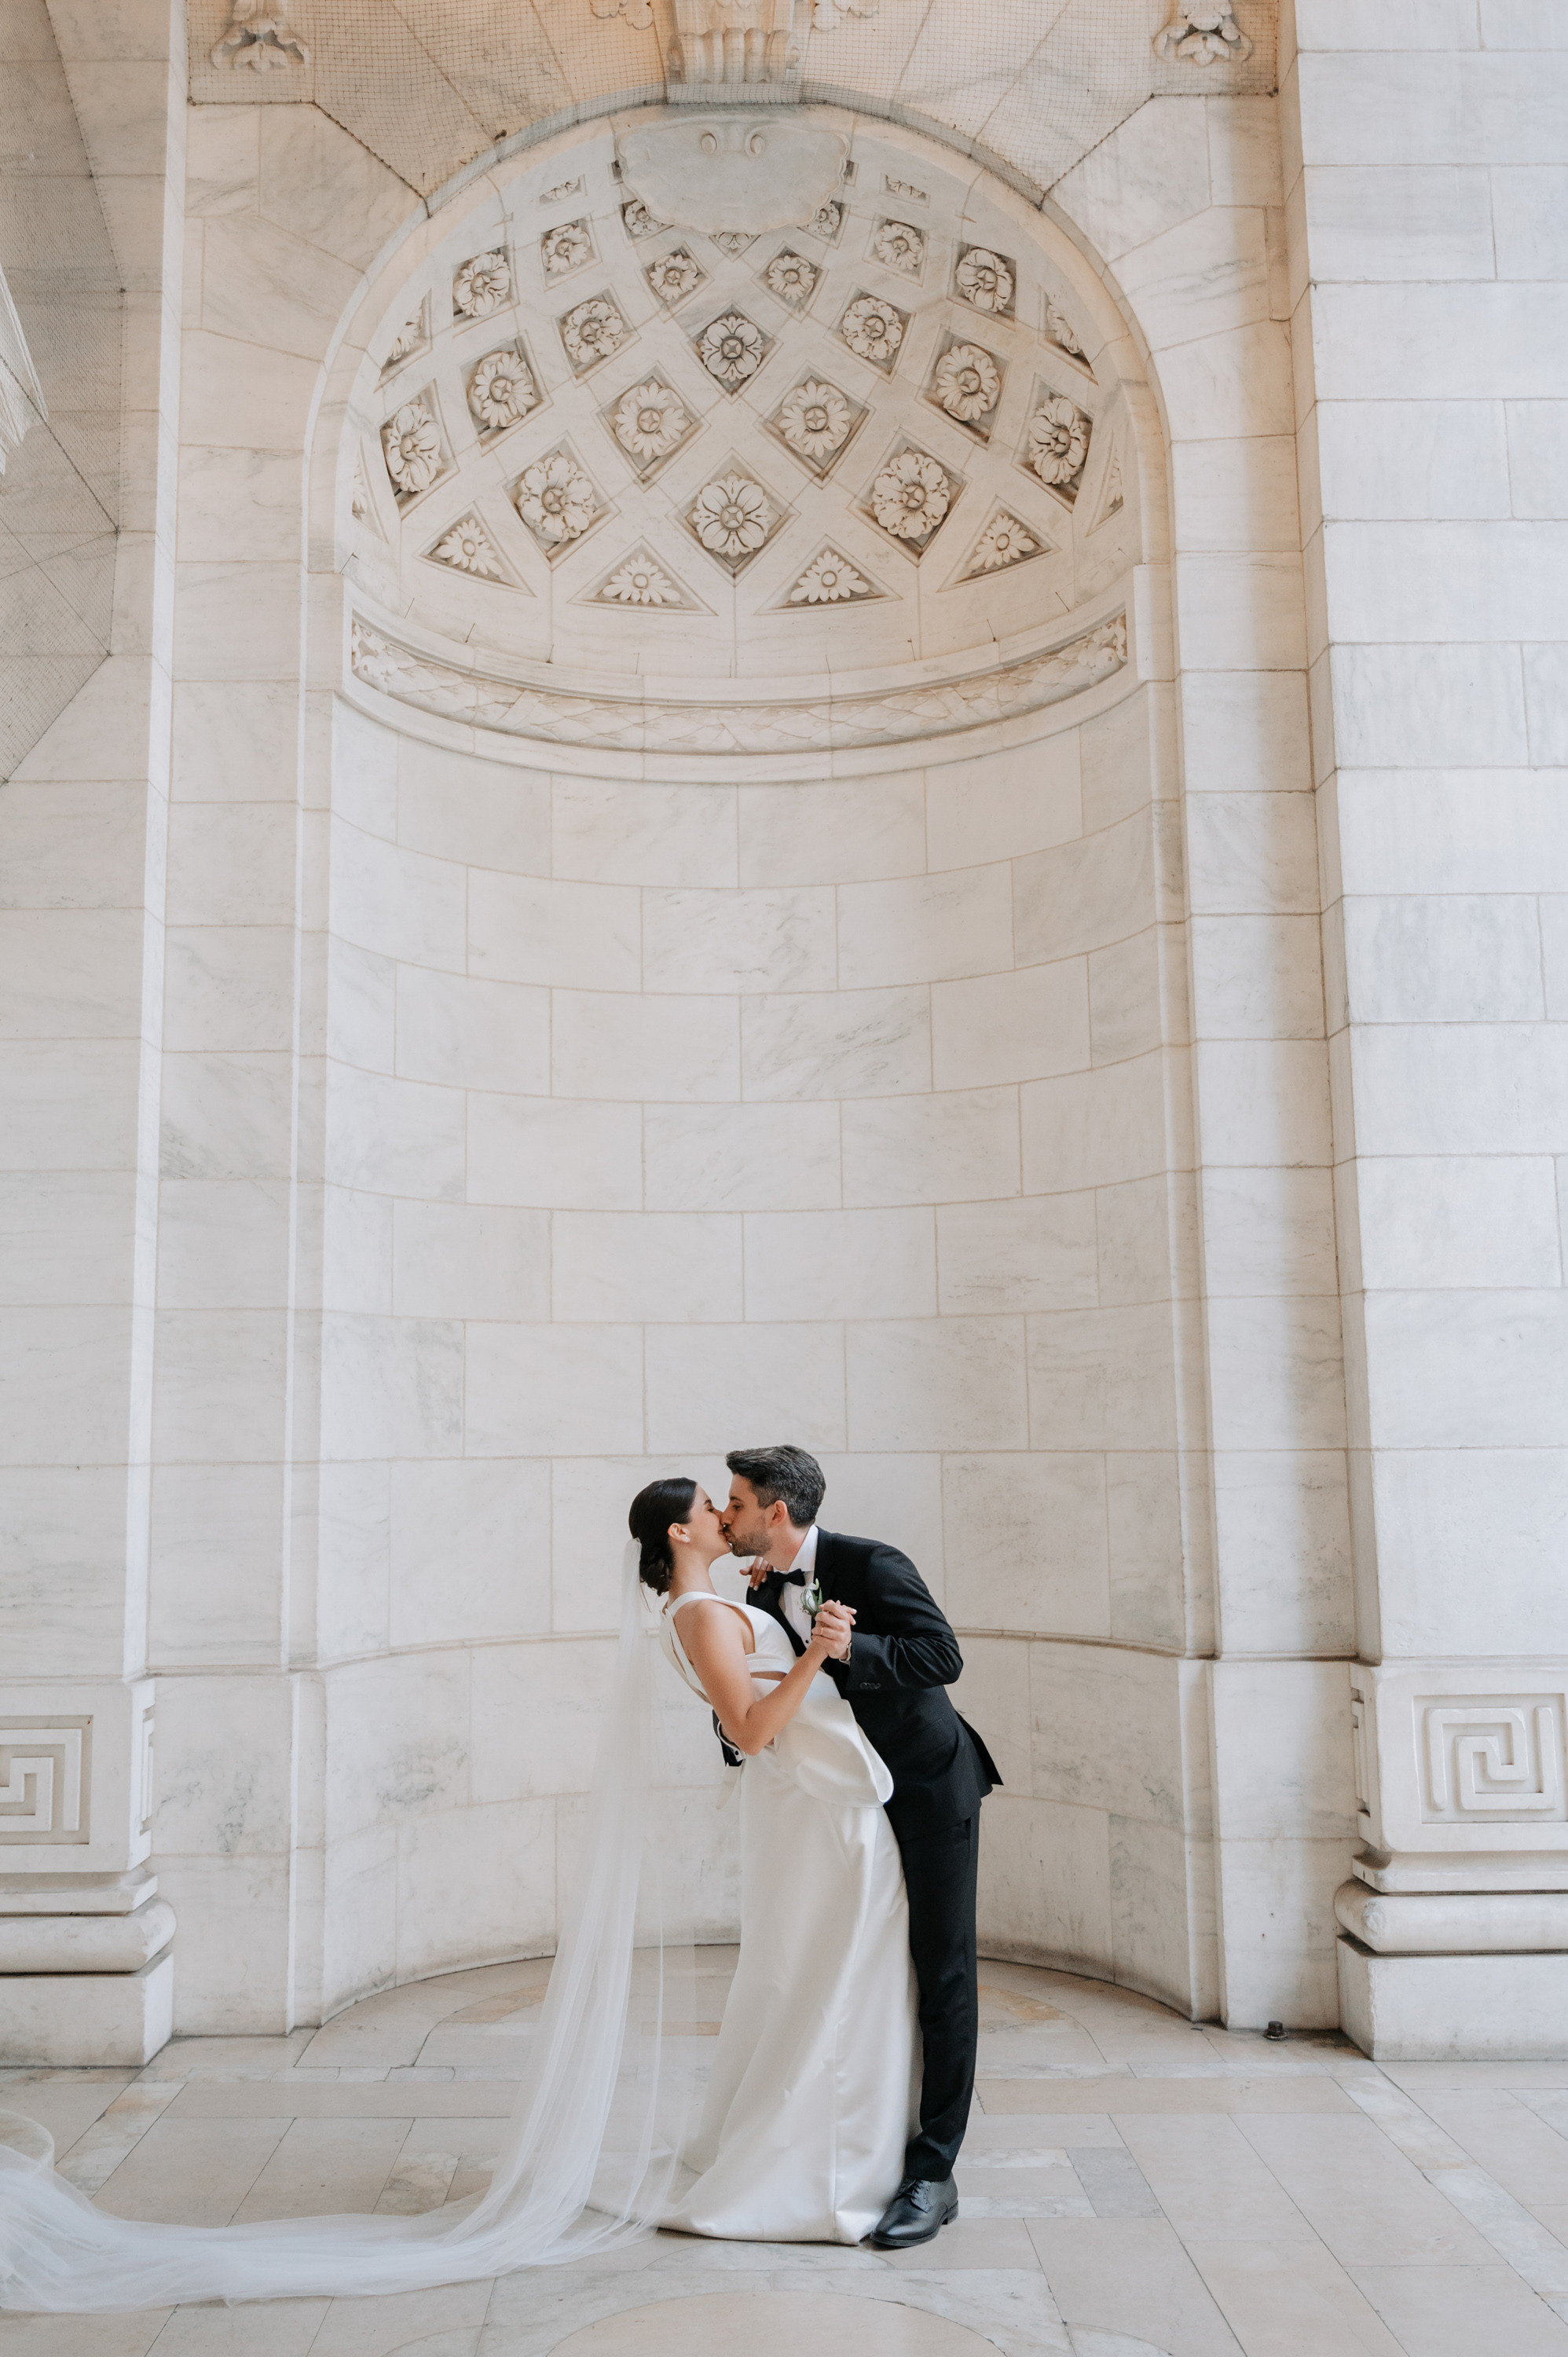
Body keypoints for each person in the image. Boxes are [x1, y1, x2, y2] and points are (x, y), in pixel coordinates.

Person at [720, 1445, 998, 2250]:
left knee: (942, 1972)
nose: (727, 1514)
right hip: (843, 1800)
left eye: (737, 1502)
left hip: (925, 1787)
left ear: (776, 1513)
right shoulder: (761, 1588)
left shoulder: (871, 1564)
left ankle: (933, 2173)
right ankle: (852, 2144)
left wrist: (851, 1648)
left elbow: (942, 1657)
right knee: (858, 1967)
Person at [633, 1475, 918, 2243]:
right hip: (810, 1798)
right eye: (709, 1508)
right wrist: (819, 1651)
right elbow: (752, 1729)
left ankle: (848, 2138)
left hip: (814, 1790)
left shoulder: (709, 1609)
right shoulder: (696, 1617)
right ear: (679, 1535)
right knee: (835, 1960)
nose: (725, 1516)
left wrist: (768, 1618)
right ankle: (821, 2160)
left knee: (816, 1959)